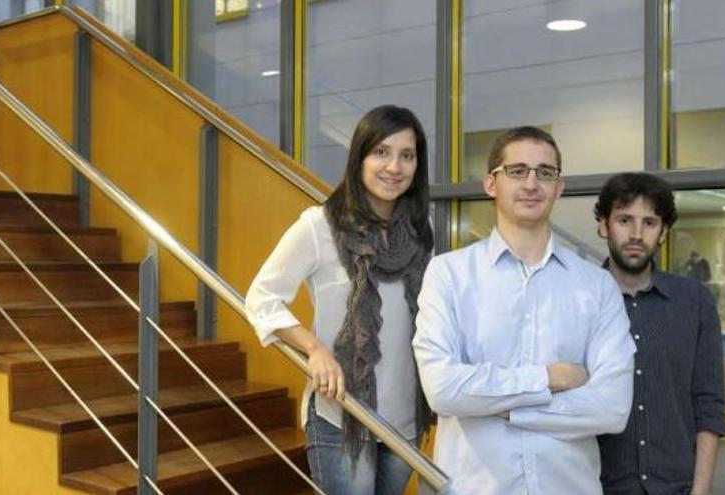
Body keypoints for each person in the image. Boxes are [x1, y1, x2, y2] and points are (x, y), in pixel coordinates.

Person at [413, 126, 635, 495]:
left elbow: (612, 408)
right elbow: (443, 390)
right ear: (490, 184)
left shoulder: (596, 286)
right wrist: (547, 378)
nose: (532, 183)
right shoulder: (448, 274)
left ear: (558, 187)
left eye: (545, 173)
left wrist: (506, 409)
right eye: (517, 171)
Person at [244, 105, 433, 495]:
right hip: (341, 411)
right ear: (359, 157)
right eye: (381, 152)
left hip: (405, 417)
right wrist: (314, 350)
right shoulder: (320, 225)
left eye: (407, 155)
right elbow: (262, 298)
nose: (394, 166)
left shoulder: (420, 231)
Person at [594, 172, 725, 495]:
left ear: (664, 231)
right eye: (625, 220)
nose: (637, 234)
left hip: (677, 488)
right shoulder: (579, 300)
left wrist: (700, 492)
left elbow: (708, 403)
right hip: (595, 486)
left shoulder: (694, 300)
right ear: (603, 225)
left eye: (650, 222)